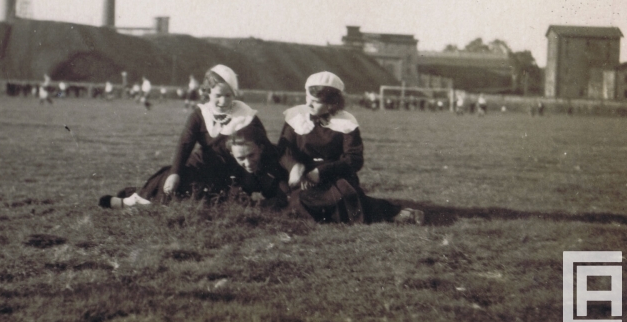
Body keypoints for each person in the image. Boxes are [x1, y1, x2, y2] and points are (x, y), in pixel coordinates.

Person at [99, 65, 271, 207]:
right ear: (207, 92)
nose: (224, 101)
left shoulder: (246, 115)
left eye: (228, 95)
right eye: (218, 95)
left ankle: (136, 198)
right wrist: (175, 173)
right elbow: (184, 144)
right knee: (173, 179)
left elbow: (266, 149)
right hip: (204, 165)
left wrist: (260, 183)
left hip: (237, 171)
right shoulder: (200, 114)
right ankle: (133, 200)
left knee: (215, 201)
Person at [278, 72, 423, 225]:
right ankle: (393, 212)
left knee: (343, 197)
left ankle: (394, 212)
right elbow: (283, 151)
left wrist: (321, 172)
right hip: (303, 178)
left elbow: (354, 159)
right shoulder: (296, 116)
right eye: (308, 97)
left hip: (336, 175)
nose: (308, 104)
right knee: (303, 201)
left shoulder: (346, 122)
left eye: (316, 101)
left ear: (332, 103)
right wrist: (294, 167)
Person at [100, 123, 289, 209]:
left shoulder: (271, 158)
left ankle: (132, 201)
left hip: (213, 190)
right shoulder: (221, 157)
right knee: (181, 192)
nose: (248, 162)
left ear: (261, 148)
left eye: (252, 155)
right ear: (232, 153)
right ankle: (133, 200)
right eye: (241, 158)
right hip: (196, 179)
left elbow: (282, 192)